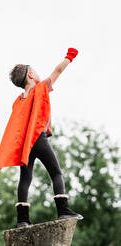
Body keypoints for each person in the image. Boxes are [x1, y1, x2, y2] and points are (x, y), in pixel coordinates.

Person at [9, 48, 84, 228]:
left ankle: (22, 220)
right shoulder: (40, 88)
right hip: (39, 139)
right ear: (30, 75)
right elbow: (58, 71)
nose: (37, 72)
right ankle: (63, 211)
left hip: (25, 145)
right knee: (56, 173)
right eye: (33, 70)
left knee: (25, 179)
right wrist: (69, 57)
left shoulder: (18, 100)